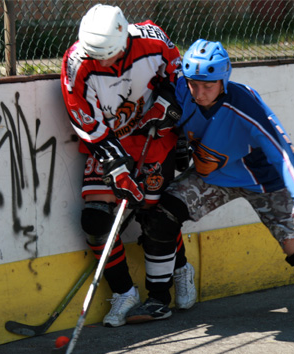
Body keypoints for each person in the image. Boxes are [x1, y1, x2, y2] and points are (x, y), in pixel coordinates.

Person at [126, 39, 294, 323]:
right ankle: (157, 301)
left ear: (224, 80)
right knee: (160, 216)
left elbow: (284, 154)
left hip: (264, 182)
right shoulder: (181, 91)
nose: (199, 93)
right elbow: (164, 76)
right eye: (194, 84)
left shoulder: (246, 105)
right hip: (213, 177)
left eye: (208, 85)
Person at [60, 4, 196, 327]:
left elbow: (181, 78)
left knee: (153, 216)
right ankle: (124, 293)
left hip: (152, 133)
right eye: (97, 55)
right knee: (95, 222)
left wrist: (169, 106)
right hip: (109, 140)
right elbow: (86, 122)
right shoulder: (77, 63)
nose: (102, 63)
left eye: (109, 55)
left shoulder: (153, 40)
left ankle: (181, 267)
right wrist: (117, 169)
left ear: (123, 40)